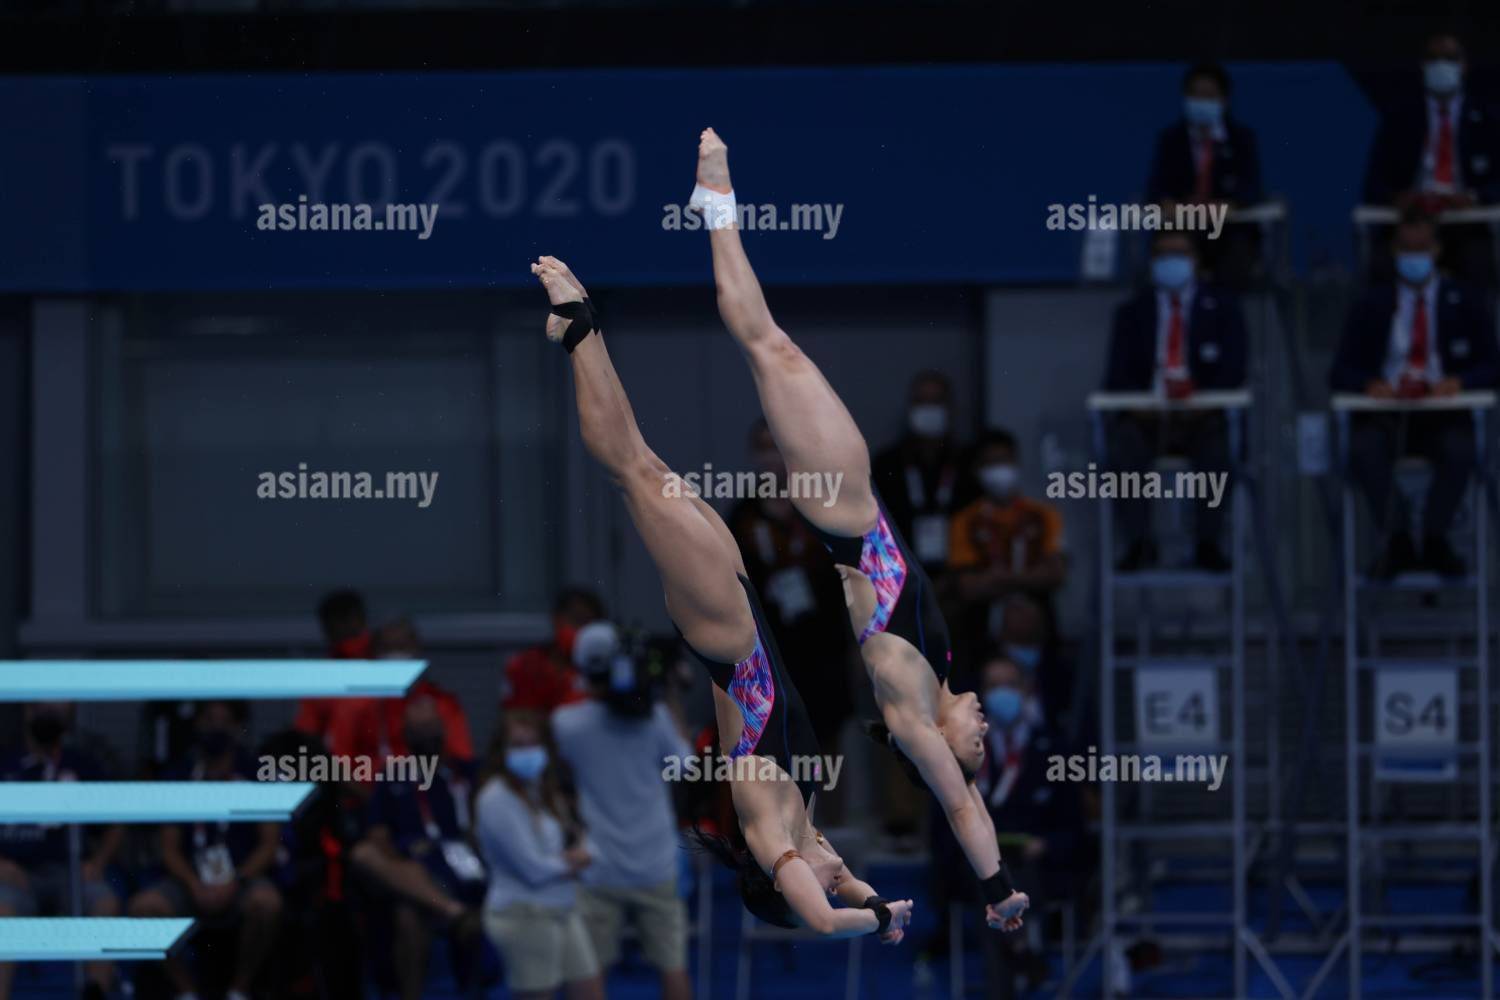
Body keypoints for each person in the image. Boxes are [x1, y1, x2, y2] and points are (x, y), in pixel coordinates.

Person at [687, 127, 1028, 932]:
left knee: (767, 345)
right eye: (983, 741)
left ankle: (716, 206)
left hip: (844, 511)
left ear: (939, 747)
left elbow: (964, 807)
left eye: (974, 747)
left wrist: (998, 889)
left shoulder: (912, 714)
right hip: (853, 500)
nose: (983, 730)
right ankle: (716, 209)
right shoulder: (935, 679)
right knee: (770, 347)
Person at [531, 252, 911, 941]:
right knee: (647, 468)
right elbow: (844, 889)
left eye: (828, 881)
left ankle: (579, 329)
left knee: (633, 473)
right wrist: (880, 909)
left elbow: (826, 920)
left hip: (727, 642)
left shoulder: (770, 834)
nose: (840, 874)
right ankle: (578, 332)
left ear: (787, 883)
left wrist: (864, 918)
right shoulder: (803, 826)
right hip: (741, 622)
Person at [1329, 208, 1500, 577]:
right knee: (1363, 448)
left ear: (1437, 250)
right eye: (1407, 250)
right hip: (1389, 413)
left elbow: (1492, 366)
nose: (1415, 258)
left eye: (1422, 249)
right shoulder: (1370, 305)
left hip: (1443, 413)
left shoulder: (1467, 300)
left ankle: (1436, 538)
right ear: (1394, 251)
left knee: (1461, 449)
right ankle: (1399, 539)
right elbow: (1340, 372)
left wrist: (1461, 382)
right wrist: (1368, 384)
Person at [551, 621, 694, 1000]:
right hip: (656, 863)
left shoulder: (566, 725)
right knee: (673, 967)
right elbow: (686, 766)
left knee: (590, 970)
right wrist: (668, 694)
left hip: (599, 866)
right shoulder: (657, 717)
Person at [1102, 229, 1248, 572]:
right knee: (1124, 445)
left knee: (1217, 448)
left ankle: (1208, 543)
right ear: (1151, 261)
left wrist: (1202, 400)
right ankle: (1139, 543)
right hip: (1148, 416)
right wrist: (1140, 404)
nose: (1171, 262)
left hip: (1202, 414)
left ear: (1196, 261)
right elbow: (1115, 377)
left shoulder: (1225, 308)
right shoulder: (1131, 312)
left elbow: (1234, 372)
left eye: (1180, 254)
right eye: (1163, 254)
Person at [128, 701, 284, 1000]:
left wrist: (235, 881)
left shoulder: (255, 773)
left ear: (238, 727)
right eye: (209, 719)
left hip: (241, 878)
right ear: (197, 723)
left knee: (267, 904)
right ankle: (187, 991)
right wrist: (193, 884)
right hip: (189, 881)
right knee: (144, 907)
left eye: (225, 720)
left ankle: (239, 990)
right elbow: (169, 848)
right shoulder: (180, 774)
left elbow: (269, 844)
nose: (216, 727)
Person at [727, 420, 857, 757]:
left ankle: (829, 795)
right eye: (763, 448)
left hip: (824, 646)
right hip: (771, 648)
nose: (771, 456)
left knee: (828, 745)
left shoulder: (819, 506)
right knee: (780, 745)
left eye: (776, 447)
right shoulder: (744, 516)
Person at [348, 695, 484, 1000]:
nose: (426, 735)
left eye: (431, 726)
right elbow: (378, 835)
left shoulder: (466, 772)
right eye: (418, 728)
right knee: (370, 862)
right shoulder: (393, 777)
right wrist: (401, 864)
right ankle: (454, 914)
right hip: (416, 871)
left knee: (411, 908)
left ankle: (457, 923)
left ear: (444, 729)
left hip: (463, 866)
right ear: (406, 735)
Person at [972, 654, 1086, 1000]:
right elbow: (942, 826)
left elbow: (1075, 825)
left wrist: (1046, 844)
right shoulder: (962, 751)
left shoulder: (1056, 749)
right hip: (975, 868)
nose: (1002, 693)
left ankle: (1015, 952)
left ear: (1026, 689)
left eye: (1009, 684)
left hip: (1041, 866)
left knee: (1009, 876)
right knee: (990, 873)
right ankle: (1021, 949)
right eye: (993, 686)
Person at [476, 709, 605, 1000]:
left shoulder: (543, 790)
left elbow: (579, 837)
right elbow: (532, 869)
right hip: (523, 914)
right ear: (501, 751)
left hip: (563, 908)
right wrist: (573, 862)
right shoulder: (495, 799)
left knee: (590, 989)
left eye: (533, 744)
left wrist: (578, 856)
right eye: (518, 745)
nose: (528, 753)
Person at [0, 703, 123, 1000]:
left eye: (55, 710)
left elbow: (116, 822)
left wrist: (98, 862)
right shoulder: (5, 762)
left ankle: (95, 992)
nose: (47, 716)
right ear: (27, 711)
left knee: (105, 903)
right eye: (41, 708)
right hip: (15, 875)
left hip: (70, 872)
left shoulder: (82, 764)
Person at [1363, 33, 1500, 284]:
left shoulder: (1488, 120)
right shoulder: (1400, 118)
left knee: (1478, 263)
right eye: (1433, 58)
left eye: (1449, 58)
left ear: (1464, 66)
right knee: (1386, 262)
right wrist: (1396, 198)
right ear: (1423, 66)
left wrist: (1475, 198)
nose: (1441, 65)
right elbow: (1374, 182)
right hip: (1412, 221)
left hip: (1468, 223)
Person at [947, 428, 1067, 666]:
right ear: (978, 470)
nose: (1000, 470)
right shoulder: (965, 521)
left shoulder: (1043, 515)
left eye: (1005, 460)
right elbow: (967, 587)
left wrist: (1003, 578)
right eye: (992, 463)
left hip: (1039, 622)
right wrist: (1029, 577)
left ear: (1017, 462)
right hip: (983, 628)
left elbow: (1056, 573)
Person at [1145, 62, 1264, 286]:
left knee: (1236, 254)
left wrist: (1227, 206)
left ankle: (1222, 305)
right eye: (1195, 95)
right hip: (1182, 224)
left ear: (1224, 100)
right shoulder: (1171, 140)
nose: (1201, 101)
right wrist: (1168, 204)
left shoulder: (1242, 140)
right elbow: (1156, 189)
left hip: (1228, 228)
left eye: (1208, 95)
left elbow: (1252, 189)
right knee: (1171, 245)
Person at [871, 370, 969, 573]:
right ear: (910, 408)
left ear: (950, 409)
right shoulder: (888, 463)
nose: (929, 410)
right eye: (922, 402)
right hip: (901, 571)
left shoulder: (967, 462)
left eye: (936, 402)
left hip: (959, 573)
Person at [502, 587, 603, 713]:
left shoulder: (601, 672)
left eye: (589, 624)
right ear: (556, 619)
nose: (581, 630)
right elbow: (515, 717)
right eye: (576, 619)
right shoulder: (524, 665)